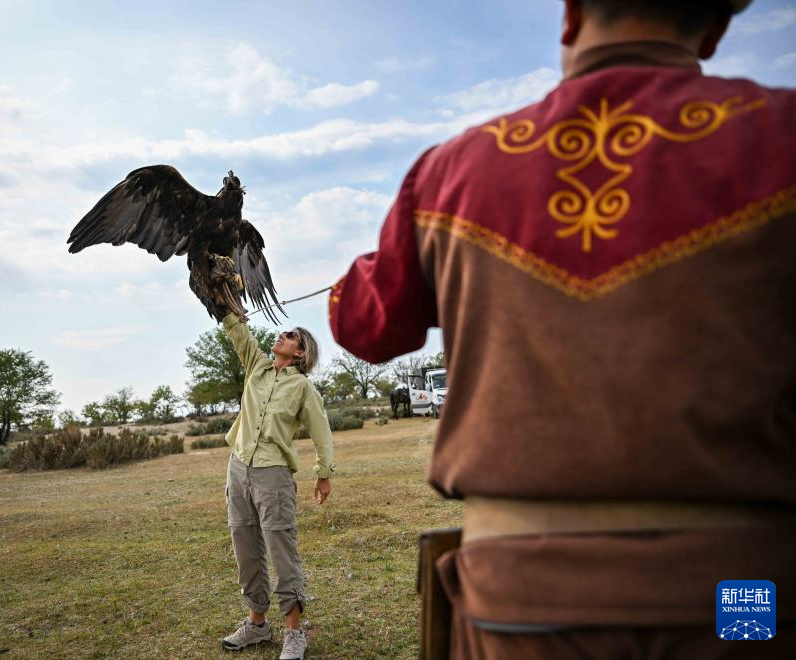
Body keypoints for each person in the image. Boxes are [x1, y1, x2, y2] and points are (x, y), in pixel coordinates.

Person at [329, 0, 795, 657]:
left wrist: (378, 265)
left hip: (522, 600)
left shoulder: (450, 172)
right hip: (741, 591)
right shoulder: (782, 135)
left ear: (571, 16)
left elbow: (366, 326)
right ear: (714, 28)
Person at [218, 312, 334, 660]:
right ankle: (257, 624)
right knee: (245, 546)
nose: (281, 335)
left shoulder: (302, 388)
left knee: (282, 549)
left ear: (301, 353)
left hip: (274, 476)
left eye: (291, 336)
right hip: (238, 468)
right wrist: (226, 303)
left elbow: (321, 429)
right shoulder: (257, 366)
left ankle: (294, 633)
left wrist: (324, 472)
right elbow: (238, 332)